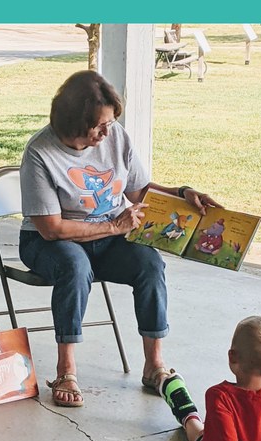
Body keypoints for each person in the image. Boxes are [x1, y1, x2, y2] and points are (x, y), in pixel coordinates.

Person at [19, 69, 218, 407]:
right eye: (99, 125)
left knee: (150, 263)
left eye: (110, 123)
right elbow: (51, 228)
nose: (106, 132)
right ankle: (66, 368)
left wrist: (182, 193)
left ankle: (154, 365)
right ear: (72, 122)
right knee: (74, 265)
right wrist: (113, 227)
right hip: (49, 243)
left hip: (110, 237)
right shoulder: (40, 153)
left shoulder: (115, 137)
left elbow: (138, 190)